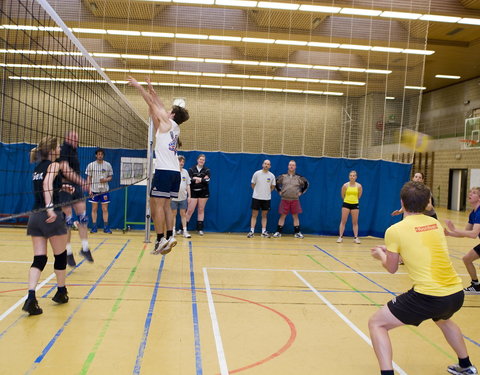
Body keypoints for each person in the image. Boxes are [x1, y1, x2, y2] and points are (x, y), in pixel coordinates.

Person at [369, 181, 477, 375]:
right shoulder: (435, 224)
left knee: (377, 323)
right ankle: (466, 366)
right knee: (443, 320)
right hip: (455, 294)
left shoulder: (395, 230)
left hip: (428, 297)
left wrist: (382, 255)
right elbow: (417, 249)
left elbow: (392, 268)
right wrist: (393, 250)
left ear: (402, 202)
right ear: (428, 202)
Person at [128, 76, 189, 255]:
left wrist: (139, 87)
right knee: (165, 205)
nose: (166, 110)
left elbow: (154, 105)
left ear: (172, 115)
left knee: (157, 205)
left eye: (169, 110)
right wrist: (152, 89)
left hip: (163, 172)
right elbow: (155, 109)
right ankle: (169, 236)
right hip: (174, 174)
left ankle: (161, 238)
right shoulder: (172, 128)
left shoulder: (168, 123)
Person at [23, 136, 70, 315]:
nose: (59, 148)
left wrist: (63, 188)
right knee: (60, 256)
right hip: (51, 215)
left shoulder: (37, 167)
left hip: (34, 216)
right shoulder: (54, 164)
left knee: (39, 258)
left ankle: (31, 297)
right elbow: (47, 184)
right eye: (57, 146)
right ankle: (61, 292)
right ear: (51, 150)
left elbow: (45, 185)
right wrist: (50, 209)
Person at [57, 130, 92, 267]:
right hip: (65, 185)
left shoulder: (73, 150)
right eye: (73, 137)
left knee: (83, 216)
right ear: (67, 138)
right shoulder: (64, 148)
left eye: (77, 138)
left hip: (76, 186)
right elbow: (65, 169)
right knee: (68, 219)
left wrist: (81, 183)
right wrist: (83, 182)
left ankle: (85, 248)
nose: (75, 140)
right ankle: (68, 252)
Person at [444, 187, 480, 295]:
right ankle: (476, 286)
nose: (470, 194)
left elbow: (473, 234)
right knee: (467, 259)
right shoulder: (473, 213)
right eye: (470, 192)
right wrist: (450, 233)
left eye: (474, 193)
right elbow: (465, 233)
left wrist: (454, 229)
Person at [272, 160, 308, 238]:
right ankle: (278, 232)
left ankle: (297, 232)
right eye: (290, 165)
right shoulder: (283, 176)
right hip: (284, 199)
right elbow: (275, 183)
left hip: (295, 200)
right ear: (288, 166)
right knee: (283, 216)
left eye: (293, 165)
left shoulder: (299, 178)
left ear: (295, 167)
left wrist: (301, 192)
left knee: (295, 216)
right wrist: (279, 191)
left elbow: (306, 184)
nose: (291, 166)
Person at [86, 148, 113, 234]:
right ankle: (94, 227)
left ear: (103, 155)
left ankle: (106, 227)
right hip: (94, 190)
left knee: (105, 209)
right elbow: (88, 178)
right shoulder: (91, 165)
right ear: (96, 155)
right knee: (94, 208)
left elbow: (111, 177)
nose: (100, 155)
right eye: (98, 154)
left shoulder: (108, 165)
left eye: (101, 154)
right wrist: (89, 188)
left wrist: (105, 179)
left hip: (104, 190)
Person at [247, 159, 276, 238]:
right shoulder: (257, 173)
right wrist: (257, 192)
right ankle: (251, 231)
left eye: (268, 164)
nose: (266, 165)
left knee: (264, 215)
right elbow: (253, 184)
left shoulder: (272, 176)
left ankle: (263, 232)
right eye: (265, 163)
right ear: (262, 164)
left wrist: (266, 193)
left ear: (270, 166)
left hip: (266, 199)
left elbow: (273, 187)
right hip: (256, 197)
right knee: (254, 215)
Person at [186, 154, 210, 236]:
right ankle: (184, 228)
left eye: (203, 160)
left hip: (203, 192)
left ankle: (200, 229)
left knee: (201, 210)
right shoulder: (191, 169)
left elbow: (207, 181)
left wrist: (197, 178)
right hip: (193, 192)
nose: (201, 161)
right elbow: (189, 180)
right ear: (197, 160)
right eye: (200, 159)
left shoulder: (207, 170)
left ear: (204, 161)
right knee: (190, 210)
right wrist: (200, 179)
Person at [337, 170, 362, 244]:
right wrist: (347, 200)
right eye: (351, 175)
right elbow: (342, 195)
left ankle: (355, 238)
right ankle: (340, 237)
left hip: (355, 204)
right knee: (343, 221)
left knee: (355, 222)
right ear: (349, 176)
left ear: (356, 177)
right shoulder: (345, 185)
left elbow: (359, 196)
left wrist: (354, 200)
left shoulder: (359, 186)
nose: (352, 177)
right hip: (346, 204)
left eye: (353, 176)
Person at [172, 155, 191, 238]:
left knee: (183, 214)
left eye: (183, 162)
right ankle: (173, 231)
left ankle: (185, 231)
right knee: (173, 214)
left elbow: (188, 185)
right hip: (173, 198)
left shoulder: (185, 172)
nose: (181, 163)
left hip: (183, 197)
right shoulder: (173, 171)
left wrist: (189, 196)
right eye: (180, 161)